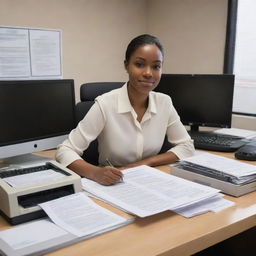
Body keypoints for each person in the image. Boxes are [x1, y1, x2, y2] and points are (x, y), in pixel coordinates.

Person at [56, 34, 195, 185]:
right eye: (139, 64)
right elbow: (64, 151)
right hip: (112, 183)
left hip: (149, 179)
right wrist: (95, 172)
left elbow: (187, 146)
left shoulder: (164, 102)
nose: (148, 73)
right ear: (126, 65)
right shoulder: (105, 104)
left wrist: (146, 163)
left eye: (156, 66)